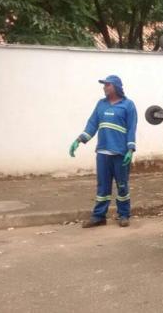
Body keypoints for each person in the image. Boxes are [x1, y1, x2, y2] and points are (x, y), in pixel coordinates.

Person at [69, 75, 138, 228]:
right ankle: (99, 216)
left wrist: (130, 149)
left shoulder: (128, 105)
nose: (104, 87)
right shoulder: (101, 104)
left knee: (122, 186)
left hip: (120, 154)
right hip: (103, 153)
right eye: (104, 85)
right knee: (102, 187)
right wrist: (79, 140)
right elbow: (92, 124)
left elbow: (132, 128)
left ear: (116, 87)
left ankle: (124, 215)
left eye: (107, 85)